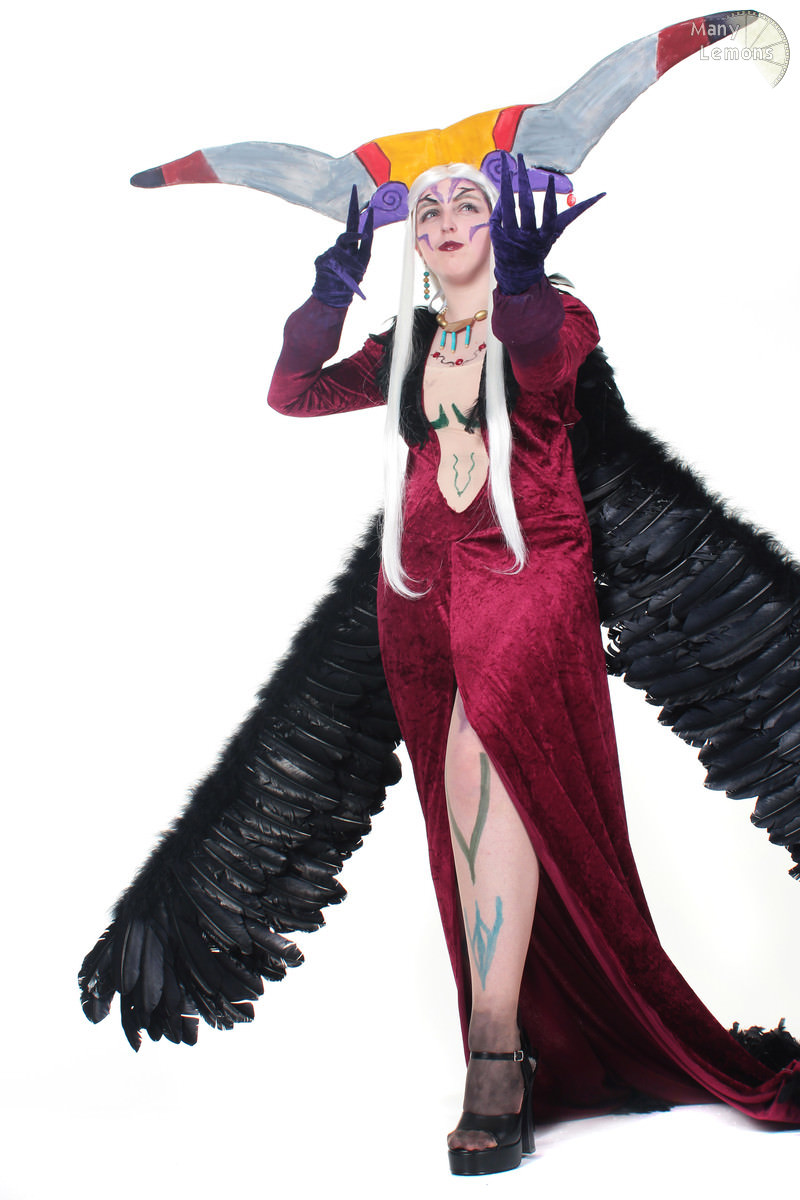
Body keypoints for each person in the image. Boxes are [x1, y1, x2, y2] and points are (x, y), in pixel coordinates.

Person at [266, 155, 800, 1175]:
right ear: (416, 241)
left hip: (527, 569)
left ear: (501, 225)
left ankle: (494, 1053)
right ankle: (518, 1032)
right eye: (429, 207)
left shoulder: (559, 317)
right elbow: (292, 392)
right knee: (458, 797)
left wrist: (519, 282)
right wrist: (329, 291)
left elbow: (544, 362)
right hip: (418, 592)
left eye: (470, 201)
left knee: (484, 756)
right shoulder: (404, 345)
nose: (447, 217)